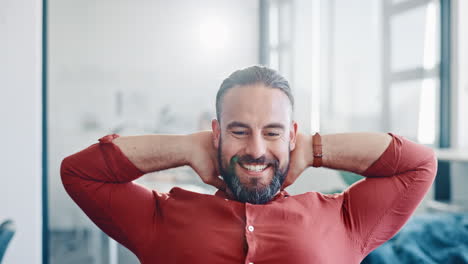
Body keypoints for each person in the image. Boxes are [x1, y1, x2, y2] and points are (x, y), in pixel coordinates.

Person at [61, 66, 437, 264]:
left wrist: (312, 149)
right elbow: (80, 172)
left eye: (272, 132)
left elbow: (418, 165)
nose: (256, 149)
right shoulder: (159, 218)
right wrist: (186, 146)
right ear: (216, 133)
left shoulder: (344, 218)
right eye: (239, 131)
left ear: (293, 133)